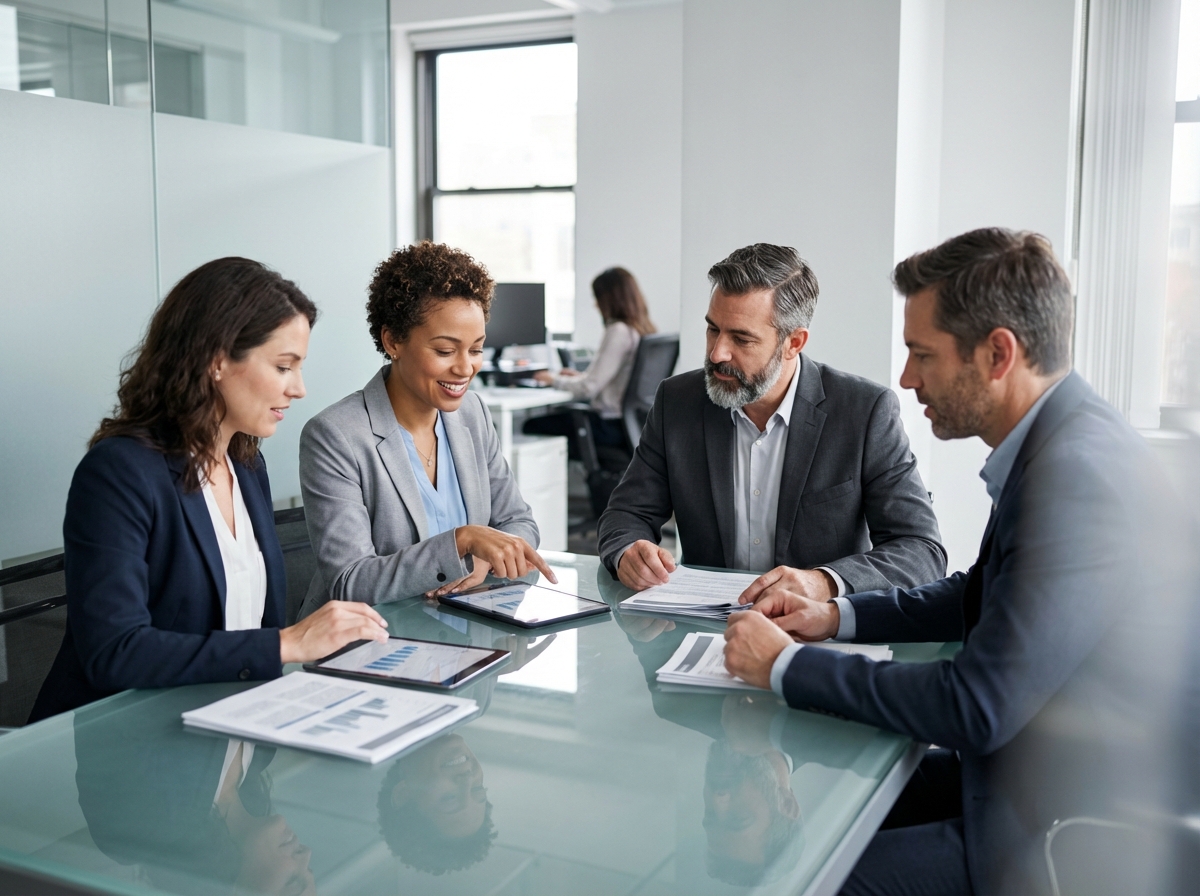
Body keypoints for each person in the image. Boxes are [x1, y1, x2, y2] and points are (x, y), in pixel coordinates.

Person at [722, 228, 1190, 894]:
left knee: (799, 879)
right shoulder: (1066, 439)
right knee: (811, 822)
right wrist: (835, 616)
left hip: (1064, 827)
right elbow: (979, 592)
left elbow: (975, 705)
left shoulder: (1078, 479)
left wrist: (785, 664)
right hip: (1026, 771)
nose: (907, 378)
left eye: (922, 355)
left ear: (999, 353)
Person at [29, 258, 389, 723]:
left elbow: (245, 627)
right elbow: (113, 651)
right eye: (284, 366)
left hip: (231, 728)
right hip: (134, 745)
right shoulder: (118, 472)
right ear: (217, 360)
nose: (299, 388)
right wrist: (286, 643)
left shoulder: (246, 464)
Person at [597, 243, 945, 602]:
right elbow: (626, 512)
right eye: (713, 330)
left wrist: (825, 582)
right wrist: (628, 551)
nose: (717, 353)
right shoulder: (677, 401)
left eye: (741, 338)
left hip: (816, 636)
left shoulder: (864, 411)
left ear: (793, 342)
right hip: (701, 629)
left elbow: (920, 550)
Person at [298, 241, 554, 617]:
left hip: (467, 627)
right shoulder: (336, 435)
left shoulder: (472, 414)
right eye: (446, 351)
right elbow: (351, 581)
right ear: (393, 341)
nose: (465, 368)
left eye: (476, 349)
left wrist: (485, 558)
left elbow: (518, 522)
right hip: (370, 640)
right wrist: (462, 542)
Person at [524, 266, 657, 452]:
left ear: (609, 299)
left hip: (608, 425)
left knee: (530, 425)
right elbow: (610, 381)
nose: (596, 305)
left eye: (597, 298)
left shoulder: (618, 331)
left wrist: (552, 379)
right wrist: (577, 377)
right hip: (631, 425)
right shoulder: (641, 330)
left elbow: (588, 388)